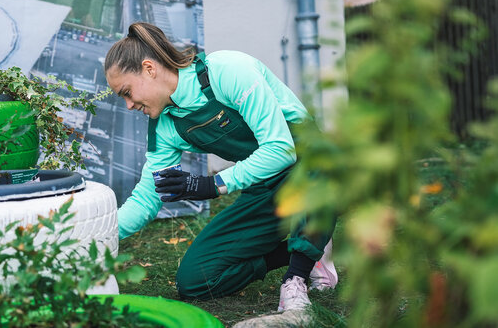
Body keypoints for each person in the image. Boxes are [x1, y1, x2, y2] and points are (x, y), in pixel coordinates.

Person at [104, 22, 337, 318]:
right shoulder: (164, 125)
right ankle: (307, 250)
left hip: (311, 165)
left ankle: (296, 278)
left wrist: (212, 185)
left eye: (127, 92)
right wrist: (96, 233)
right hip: (265, 185)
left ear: (149, 69)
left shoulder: (227, 71)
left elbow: (281, 148)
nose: (127, 105)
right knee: (196, 279)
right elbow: (146, 199)